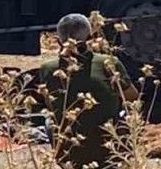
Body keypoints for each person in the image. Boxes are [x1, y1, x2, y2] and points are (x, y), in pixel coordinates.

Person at [37, 14, 139, 169]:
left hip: (70, 154)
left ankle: (61, 158)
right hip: (107, 152)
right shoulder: (108, 63)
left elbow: (51, 105)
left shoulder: (47, 68)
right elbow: (132, 97)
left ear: (58, 41)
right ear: (91, 38)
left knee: (48, 121)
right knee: (129, 112)